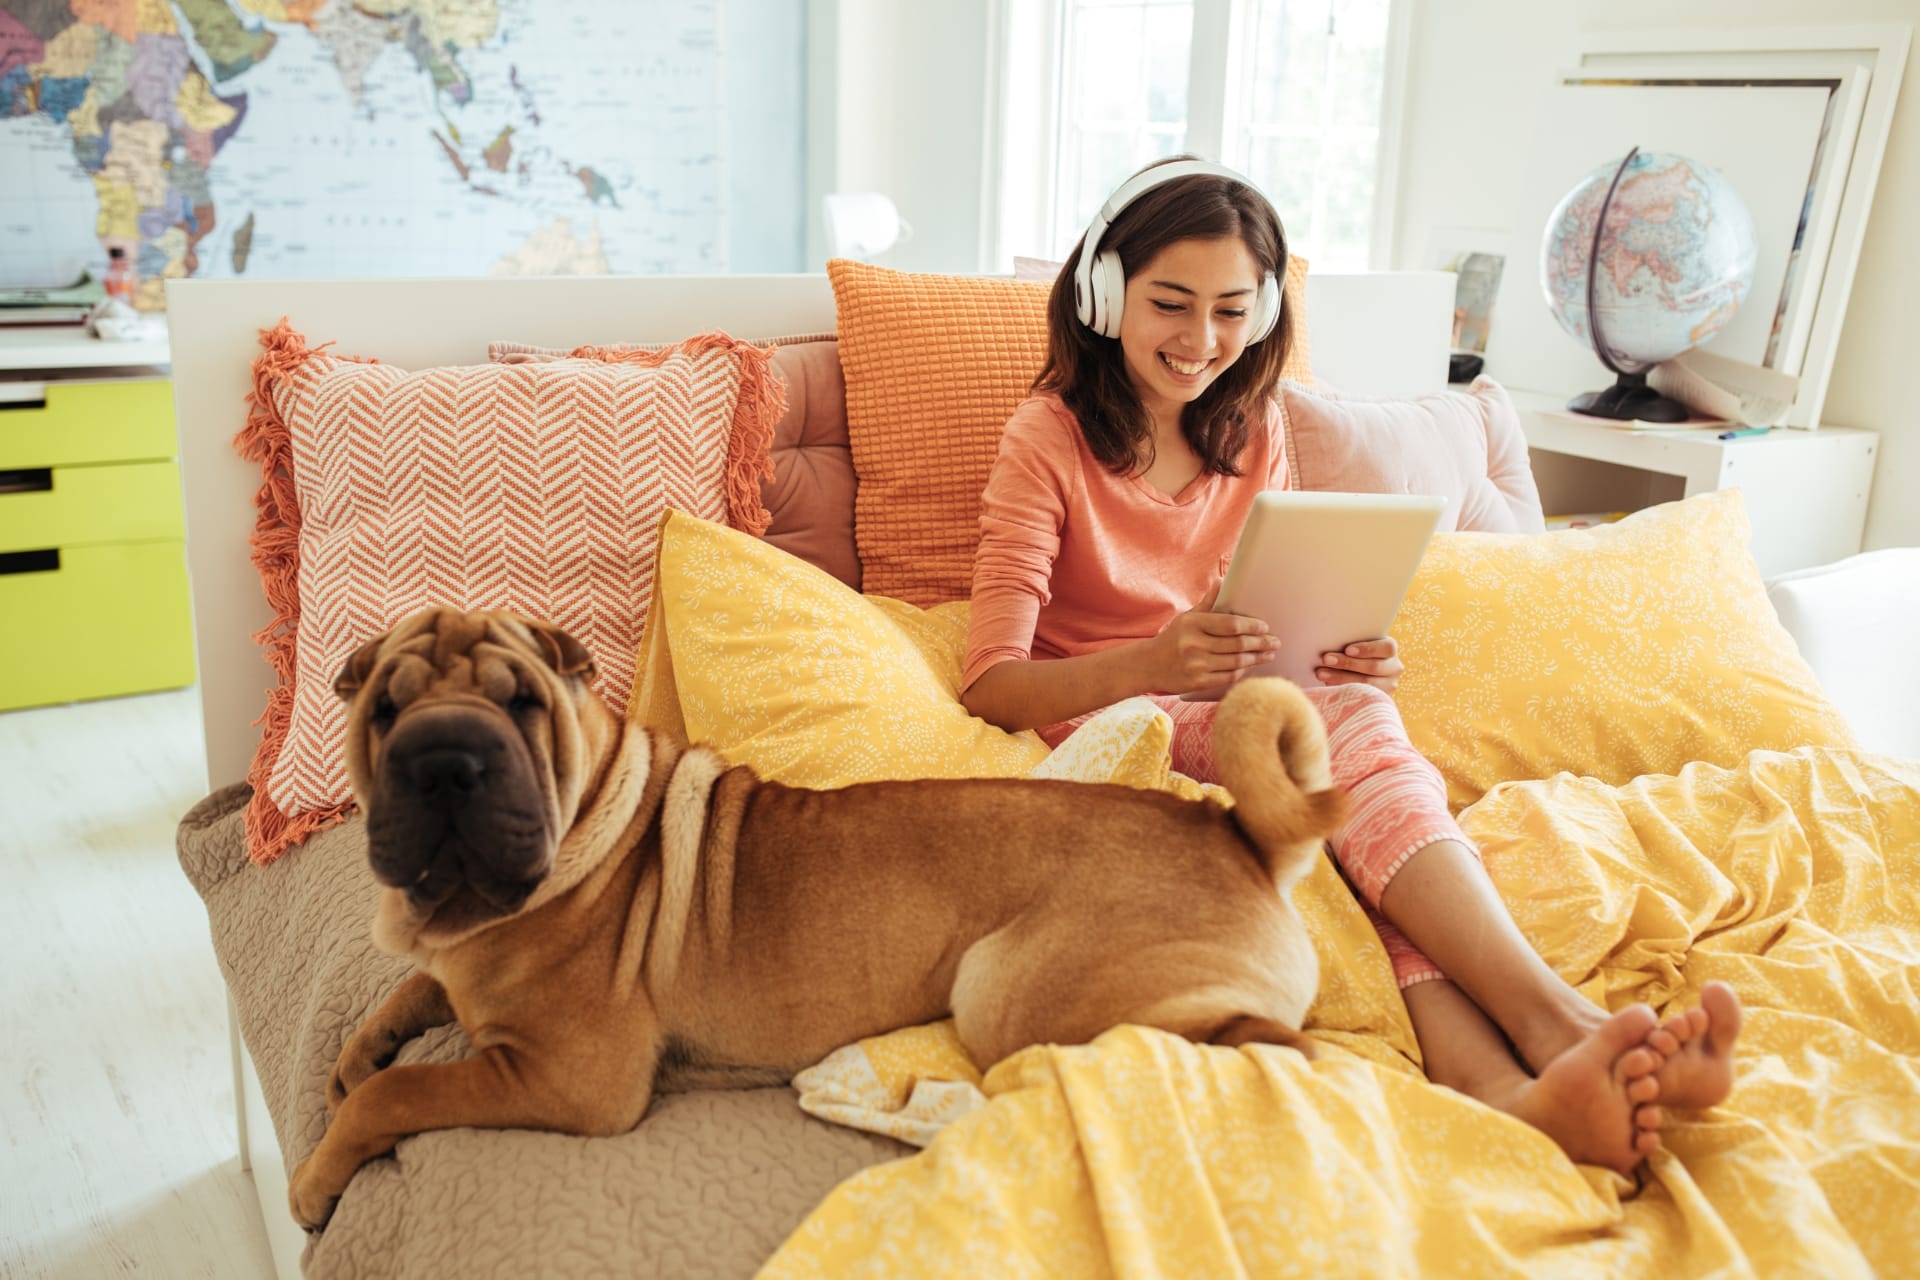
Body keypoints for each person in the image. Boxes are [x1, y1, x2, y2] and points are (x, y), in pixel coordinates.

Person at [960, 156, 1742, 1176]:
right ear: (1105, 293)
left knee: (1344, 774)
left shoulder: (1254, 425)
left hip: (1245, 706)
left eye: (1232, 310)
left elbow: (1261, 606)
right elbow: (989, 683)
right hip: (1110, 717)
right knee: (1343, 737)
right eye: (1170, 304)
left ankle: (1508, 1089)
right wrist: (1150, 661)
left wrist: (1338, 641)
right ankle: (1560, 1022)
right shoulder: (1046, 437)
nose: (1200, 341)